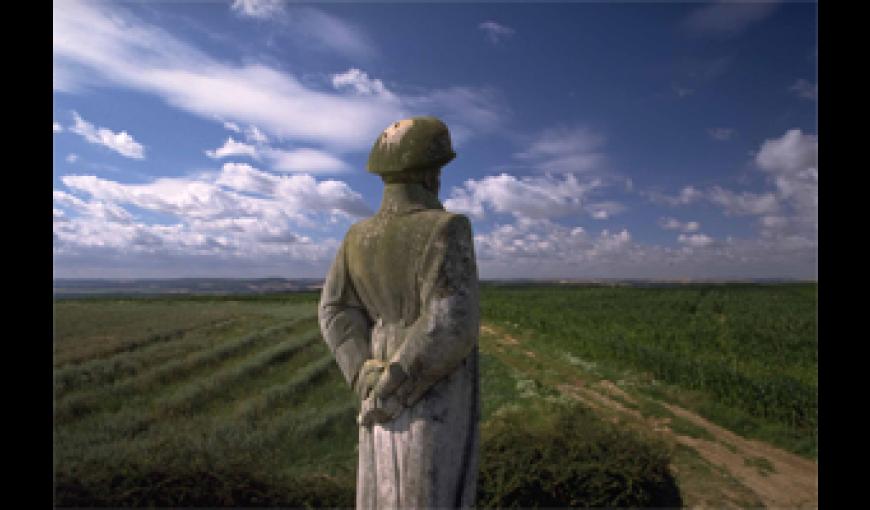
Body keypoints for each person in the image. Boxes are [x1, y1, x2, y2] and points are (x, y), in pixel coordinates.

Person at [318, 116, 480, 509]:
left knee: (382, 490)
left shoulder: (358, 236)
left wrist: (363, 373)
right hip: (426, 387)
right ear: (430, 175)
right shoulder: (447, 227)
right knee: (425, 489)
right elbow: (450, 321)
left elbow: (334, 309)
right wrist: (395, 386)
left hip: (376, 379)